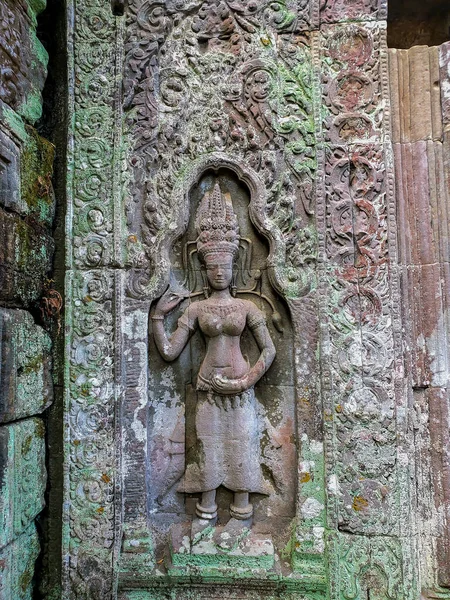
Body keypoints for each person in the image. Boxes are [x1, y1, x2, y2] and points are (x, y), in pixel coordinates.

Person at [151, 183, 276, 523]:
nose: (219, 272)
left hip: (240, 390)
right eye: (212, 267)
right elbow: (168, 351)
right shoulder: (196, 310)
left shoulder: (247, 307)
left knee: (242, 447)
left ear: (235, 265)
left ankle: (241, 515)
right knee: (207, 451)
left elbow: (269, 350)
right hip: (207, 388)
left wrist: (244, 382)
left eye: (225, 266)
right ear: (204, 268)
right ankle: (204, 516)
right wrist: (158, 316)